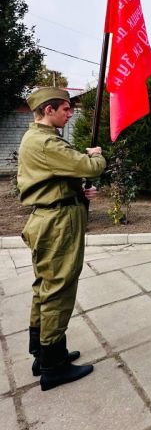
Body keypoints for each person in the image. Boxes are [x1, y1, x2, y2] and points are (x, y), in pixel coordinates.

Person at [17, 87, 106, 391]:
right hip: (57, 223)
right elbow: (89, 166)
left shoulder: (38, 139)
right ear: (48, 110)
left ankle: (43, 353)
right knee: (59, 287)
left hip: (51, 215)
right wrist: (95, 156)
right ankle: (53, 366)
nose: (70, 113)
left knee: (45, 286)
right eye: (65, 108)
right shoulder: (45, 142)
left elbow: (55, 177)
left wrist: (77, 192)